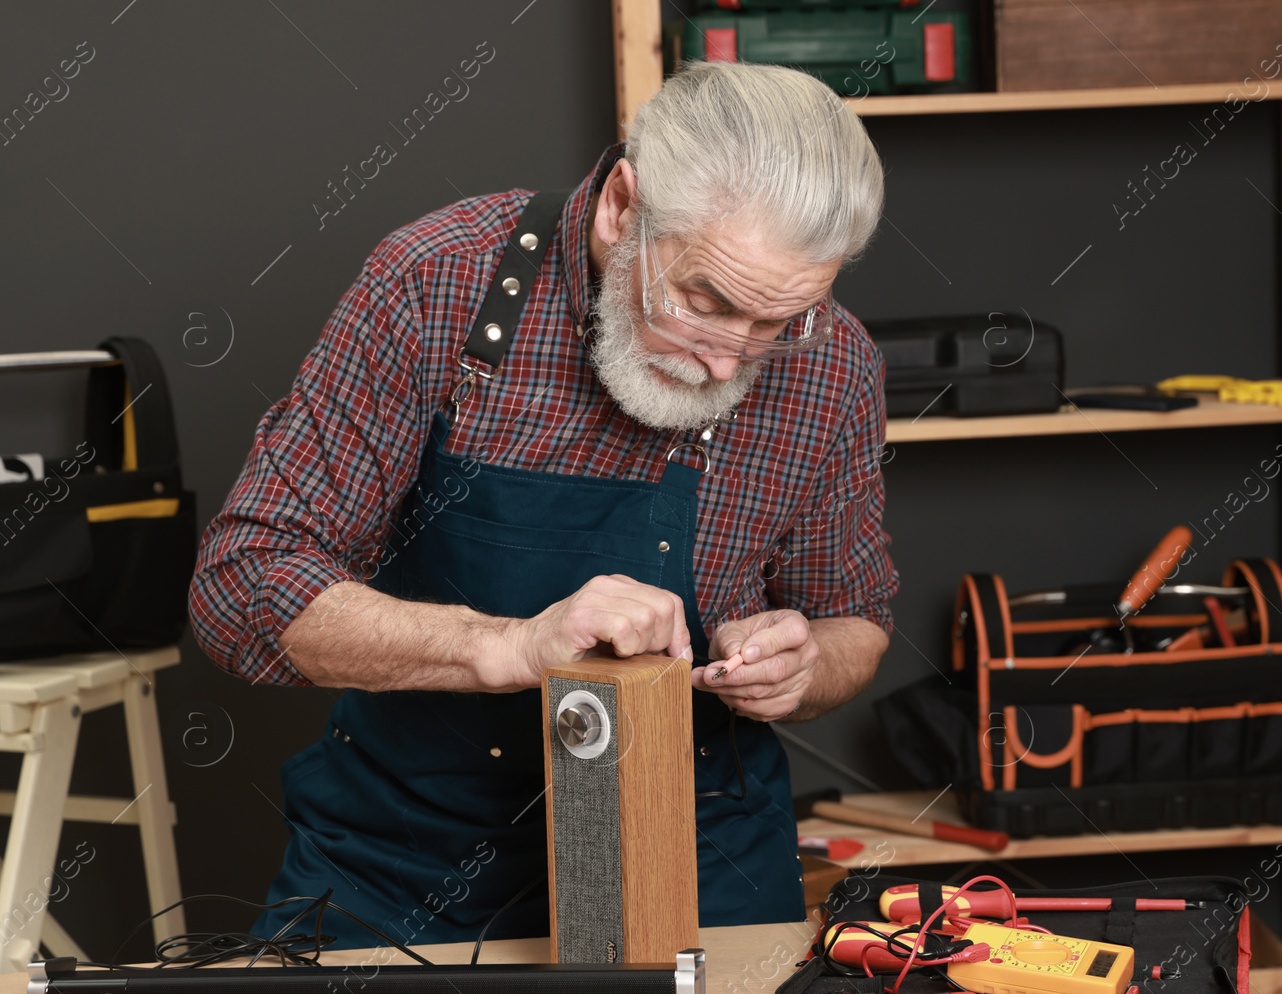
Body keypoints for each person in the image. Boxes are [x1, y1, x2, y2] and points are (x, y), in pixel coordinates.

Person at [189, 61, 897, 949]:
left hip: (697, 852)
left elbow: (855, 618)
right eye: (706, 302)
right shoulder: (437, 285)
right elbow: (240, 586)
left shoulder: (831, 363)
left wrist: (803, 667)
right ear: (623, 205)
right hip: (410, 859)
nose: (728, 364)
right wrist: (510, 645)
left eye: (775, 323)